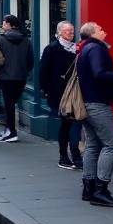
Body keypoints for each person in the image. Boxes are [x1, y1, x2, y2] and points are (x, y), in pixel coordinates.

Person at [76, 21, 113, 208]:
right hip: (97, 103)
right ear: (93, 34)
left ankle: (88, 188)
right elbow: (99, 74)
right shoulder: (96, 49)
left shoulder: (84, 48)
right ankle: (100, 190)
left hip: (86, 103)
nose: (104, 31)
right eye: (101, 29)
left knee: (93, 144)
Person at [39, 21, 83, 170]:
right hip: (59, 93)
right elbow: (43, 71)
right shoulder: (52, 49)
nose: (70, 33)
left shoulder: (78, 48)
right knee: (66, 124)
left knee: (75, 123)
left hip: (76, 93)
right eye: (67, 31)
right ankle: (64, 156)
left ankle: (75, 154)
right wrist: (45, 90)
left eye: (72, 31)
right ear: (59, 33)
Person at [0, 15, 34, 143]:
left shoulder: (0, 39)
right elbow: (30, 60)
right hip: (21, 76)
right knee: (12, 103)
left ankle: (11, 131)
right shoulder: (26, 40)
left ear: (10, 25)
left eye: (4, 23)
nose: (2, 25)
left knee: (8, 104)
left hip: (5, 76)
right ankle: (8, 129)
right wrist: (24, 71)